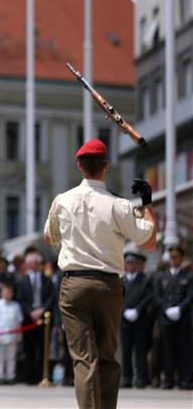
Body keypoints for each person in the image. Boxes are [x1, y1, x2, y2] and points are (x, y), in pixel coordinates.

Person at [43, 139, 156, 409]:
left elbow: (49, 237)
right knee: (107, 356)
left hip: (74, 283)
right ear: (106, 166)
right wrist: (147, 205)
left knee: (84, 359)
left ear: (79, 166)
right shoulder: (119, 205)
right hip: (107, 285)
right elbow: (148, 242)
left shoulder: (62, 200)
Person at [154, 245, 192, 389]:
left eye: (176, 257)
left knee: (184, 351)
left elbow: (190, 296)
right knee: (167, 351)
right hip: (166, 319)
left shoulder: (187, 277)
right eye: (172, 258)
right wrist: (167, 309)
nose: (174, 260)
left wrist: (179, 309)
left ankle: (185, 380)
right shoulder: (162, 277)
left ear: (181, 259)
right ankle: (168, 380)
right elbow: (157, 296)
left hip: (182, 319)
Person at [15, 251, 55, 384]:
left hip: (44, 318)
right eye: (30, 263)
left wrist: (41, 310)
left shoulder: (46, 279)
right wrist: (30, 312)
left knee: (43, 348)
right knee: (29, 347)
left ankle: (42, 375)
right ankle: (30, 376)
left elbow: (51, 297)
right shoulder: (22, 280)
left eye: (35, 263)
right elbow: (21, 298)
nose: (33, 265)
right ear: (27, 264)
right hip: (28, 318)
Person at [119, 251, 152, 389]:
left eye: (133, 263)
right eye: (128, 263)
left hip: (140, 320)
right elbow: (116, 298)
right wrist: (124, 311)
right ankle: (127, 377)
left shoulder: (144, 279)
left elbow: (148, 297)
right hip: (125, 321)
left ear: (137, 265)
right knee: (125, 351)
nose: (130, 265)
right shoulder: (121, 281)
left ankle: (141, 378)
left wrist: (137, 310)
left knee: (140, 351)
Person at [0, 281, 22, 385]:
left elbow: (19, 321)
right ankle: (0, 376)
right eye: (5, 292)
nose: (7, 294)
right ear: (1, 293)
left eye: (9, 292)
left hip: (12, 336)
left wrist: (19, 334)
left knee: (11, 357)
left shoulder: (16, 306)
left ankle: (10, 376)